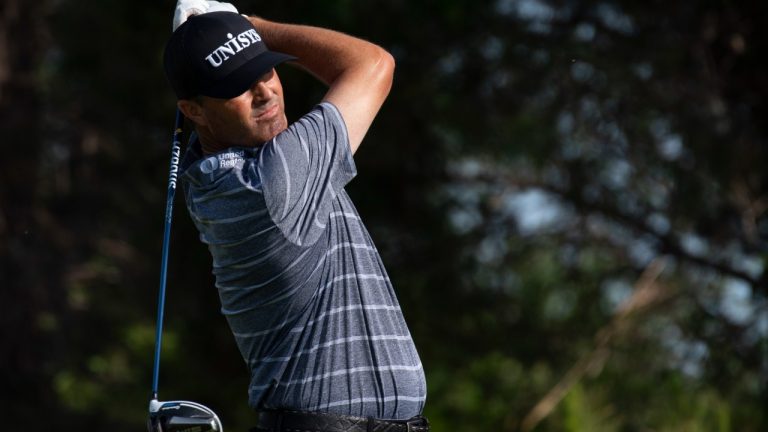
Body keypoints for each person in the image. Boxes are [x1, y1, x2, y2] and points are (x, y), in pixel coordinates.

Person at [163, 2, 428, 431]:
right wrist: (257, 28)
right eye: (237, 85)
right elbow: (373, 63)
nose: (265, 92)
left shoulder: (222, 175)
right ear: (193, 111)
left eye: (265, 70)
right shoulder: (269, 182)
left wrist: (228, 41)